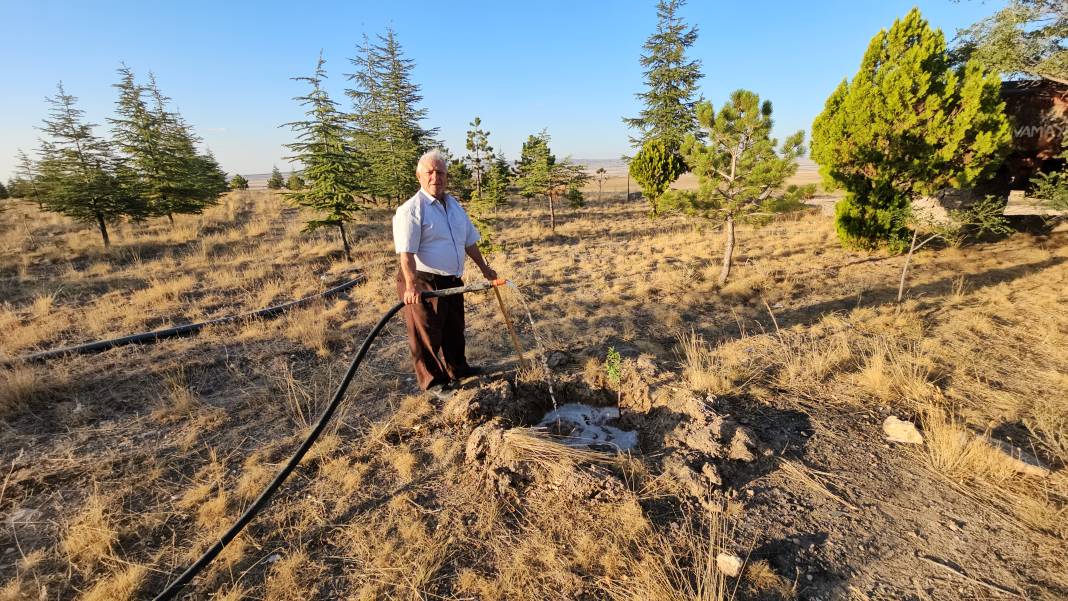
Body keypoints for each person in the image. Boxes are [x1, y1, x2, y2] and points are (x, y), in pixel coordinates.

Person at [392, 149, 498, 400]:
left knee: (454, 328)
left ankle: (458, 369)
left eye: (440, 172)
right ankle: (434, 382)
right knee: (427, 333)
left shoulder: (454, 206)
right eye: (429, 172)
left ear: (446, 176)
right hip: (423, 281)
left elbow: (469, 241)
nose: (435, 177)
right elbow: (406, 253)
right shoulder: (411, 210)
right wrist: (410, 284)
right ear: (419, 176)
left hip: (452, 280)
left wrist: (485, 269)